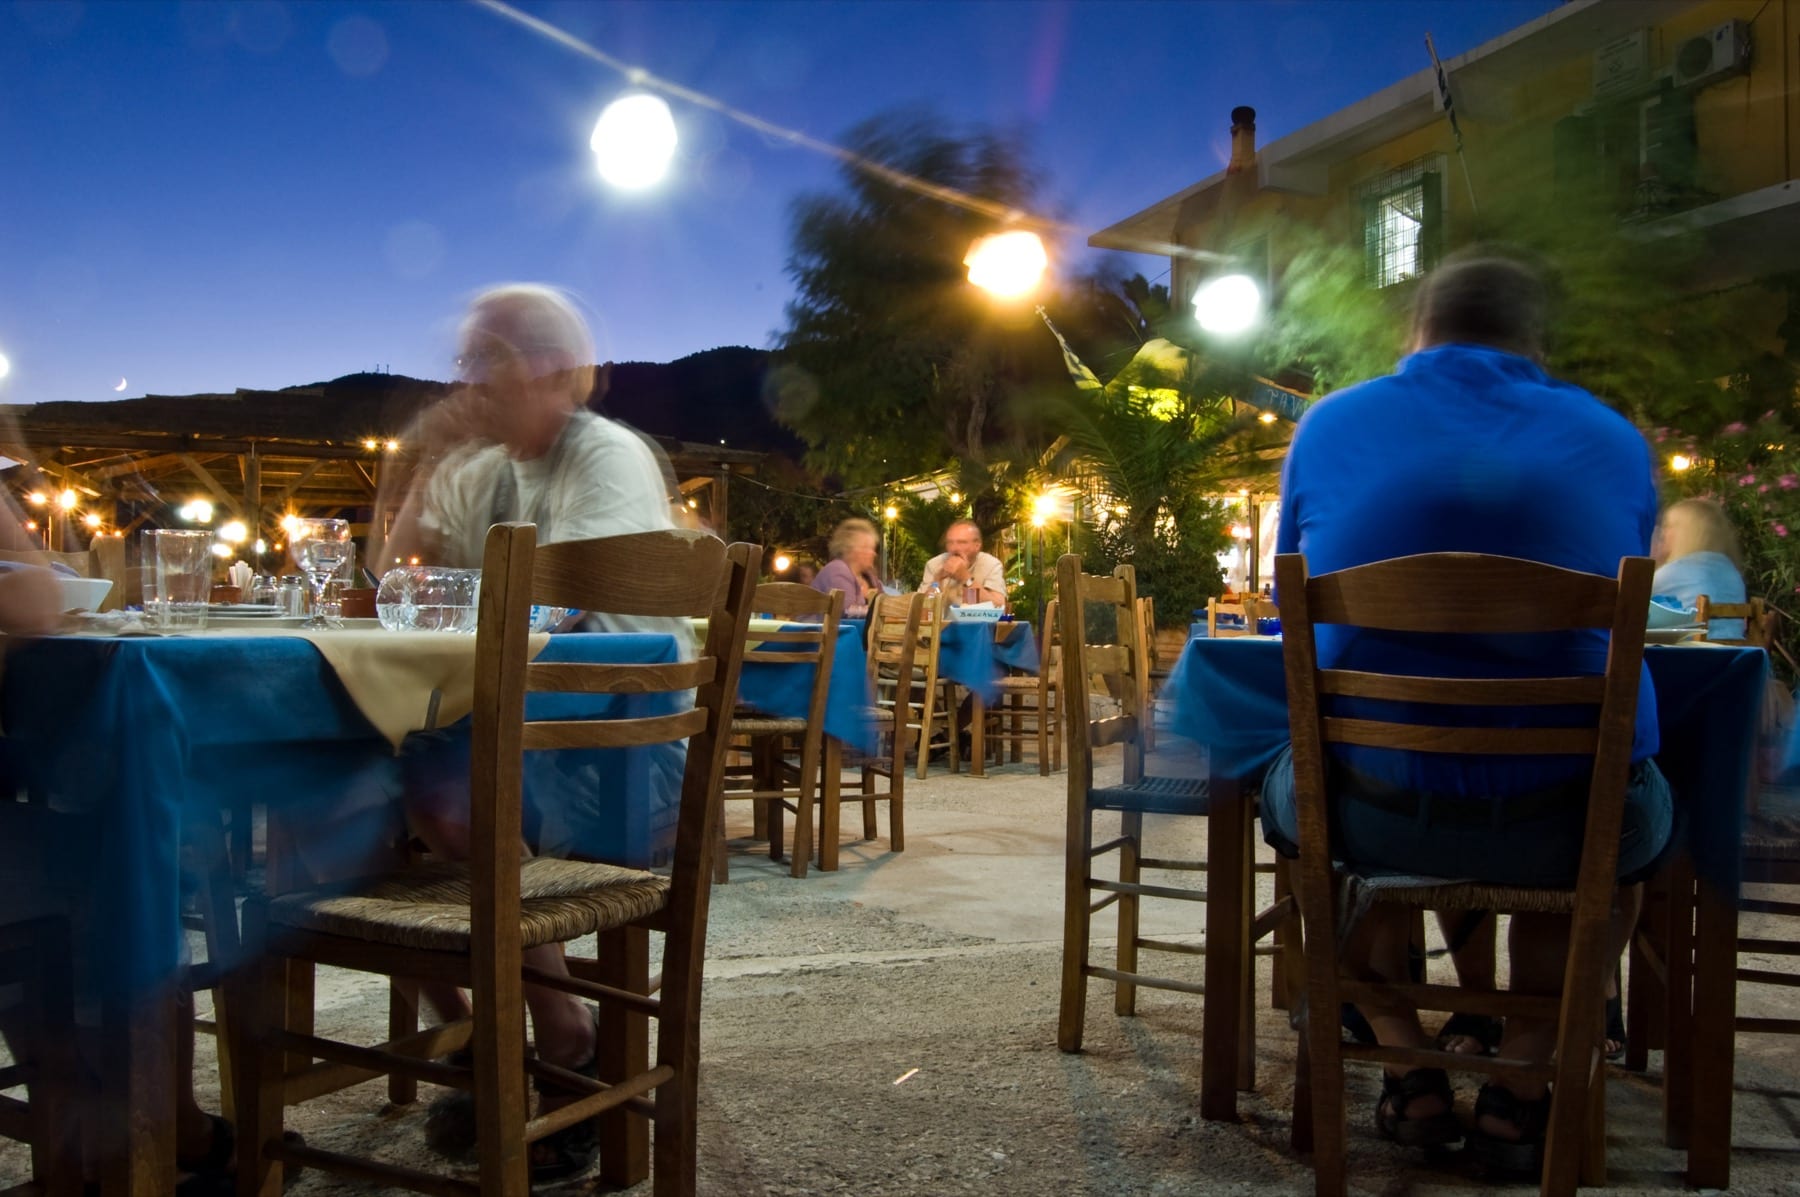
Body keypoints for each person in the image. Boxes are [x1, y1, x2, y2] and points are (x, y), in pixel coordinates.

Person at [1260, 250, 1670, 1172]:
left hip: (1372, 812)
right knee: (1633, 821)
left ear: (1417, 333)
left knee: (1296, 809)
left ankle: (1409, 1062)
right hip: (1561, 824)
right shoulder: (1612, 440)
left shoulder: (1330, 427)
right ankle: (1523, 1079)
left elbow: (1292, 589)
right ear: (1536, 341)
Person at [378, 283, 683, 1181]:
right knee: (328, 797)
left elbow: (552, 607)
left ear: (553, 373)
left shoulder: (607, 455)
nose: (469, 381)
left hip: (620, 743)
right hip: (508, 721)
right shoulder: (481, 466)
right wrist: (424, 463)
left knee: (431, 777)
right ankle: (481, 1040)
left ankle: (563, 1033)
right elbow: (390, 585)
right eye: (466, 363)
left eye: (488, 361)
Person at [1652, 496, 1748, 640]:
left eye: (1670, 526)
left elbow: (1634, 609)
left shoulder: (1674, 572)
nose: (1664, 533)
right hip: (1734, 656)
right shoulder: (1731, 570)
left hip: (1689, 656)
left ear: (1686, 533)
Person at [917, 519, 1006, 607]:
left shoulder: (991, 564)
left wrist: (966, 578)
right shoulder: (934, 564)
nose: (954, 548)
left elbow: (998, 605)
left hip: (977, 621)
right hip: (943, 621)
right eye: (950, 542)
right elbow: (923, 609)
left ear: (977, 546)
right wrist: (937, 580)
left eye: (962, 542)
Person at [813, 518, 881, 617]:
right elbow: (845, 611)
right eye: (866, 547)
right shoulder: (837, 570)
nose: (873, 553)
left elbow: (887, 604)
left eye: (873, 548)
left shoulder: (870, 577)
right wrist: (877, 612)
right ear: (848, 550)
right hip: (818, 631)